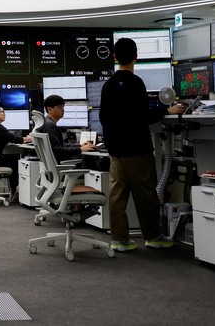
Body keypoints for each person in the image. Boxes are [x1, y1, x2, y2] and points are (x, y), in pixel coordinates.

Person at [100, 38, 185, 252]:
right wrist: (167, 111)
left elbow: (104, 117)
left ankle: (119, 239)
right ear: (136, 57)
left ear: (114, 56)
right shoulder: (136, 83)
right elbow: (141, 116)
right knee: (146, 194)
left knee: (117, 196)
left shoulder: (108, 85)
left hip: (116, 151)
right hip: (137, 149)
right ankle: (153, 236)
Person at [39, 94, 96, 162]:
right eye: (60, 107)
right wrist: (81, 149)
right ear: (50, 109)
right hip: (62, 164)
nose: (63, 110)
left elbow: (60, 145)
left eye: (63, 107)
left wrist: (79, 146)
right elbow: (58, 151)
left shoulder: (47, 123)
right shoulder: (50, 126)